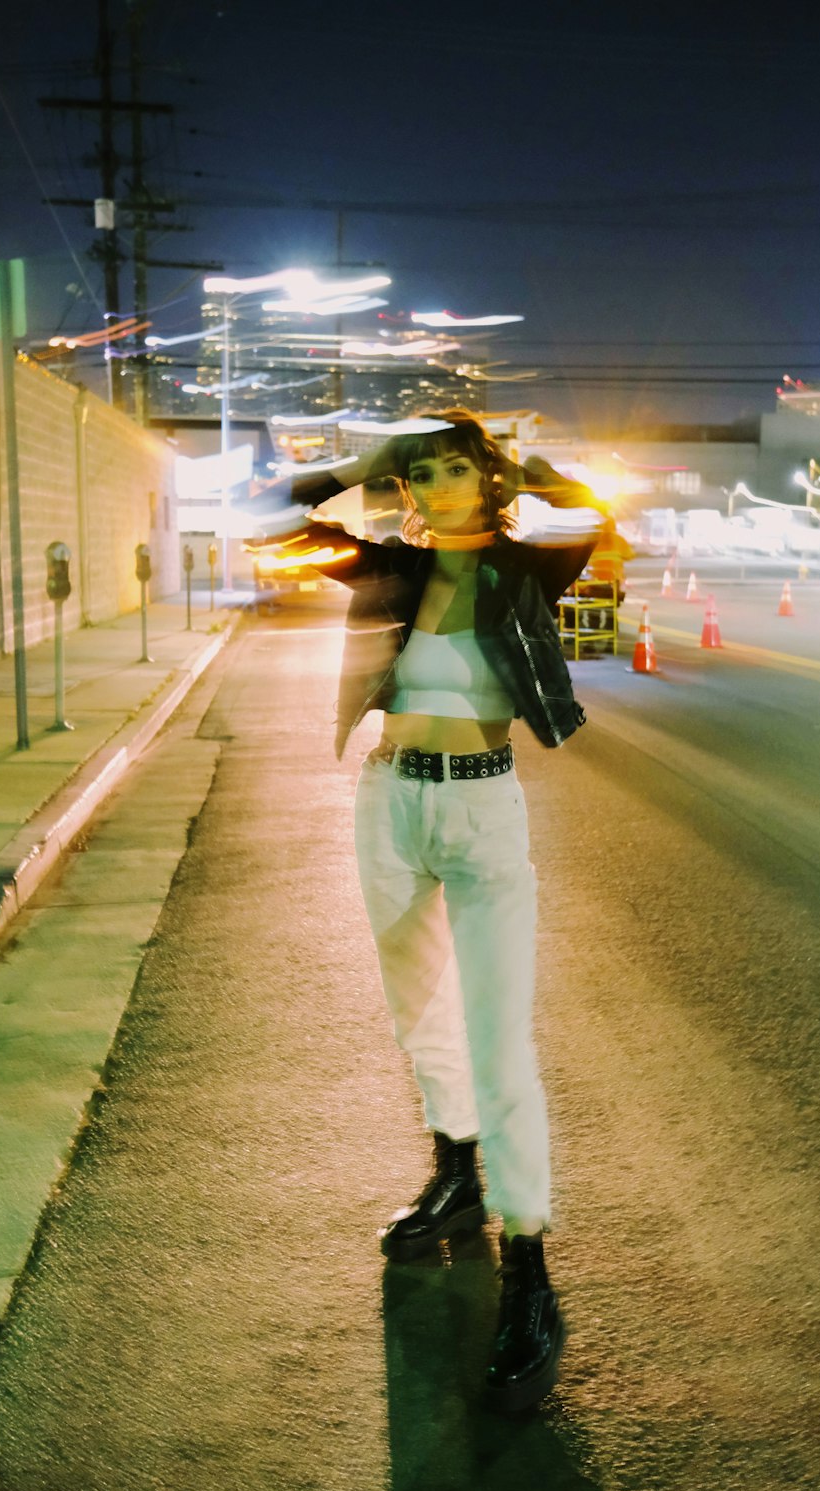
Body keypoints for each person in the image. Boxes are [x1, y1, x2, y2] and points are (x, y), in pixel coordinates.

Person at [264, 410, 603, 1412]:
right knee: (419, 1009)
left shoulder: (523, 567)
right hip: (390, 801)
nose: (438, 486)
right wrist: (352, 466)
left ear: (487, 481)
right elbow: (272, 524)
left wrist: (527, 464)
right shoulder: (392, 569)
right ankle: (454, 1166)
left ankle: (529, 1274)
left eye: (457, 469)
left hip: (483, 803)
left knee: (502, 1043)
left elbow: (596, 514)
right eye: (422, 474)